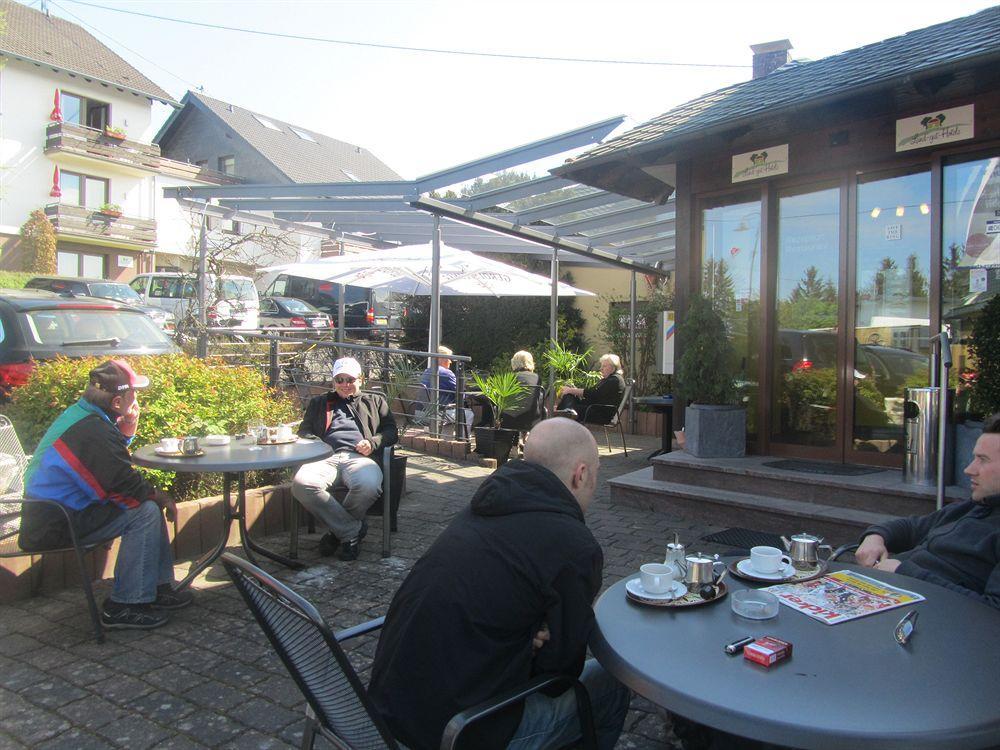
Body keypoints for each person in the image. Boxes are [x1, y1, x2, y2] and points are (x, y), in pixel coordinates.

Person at [368, 417, 630, 750]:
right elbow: (558, 678)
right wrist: (530, 644)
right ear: (581, 475)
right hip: (457, 733)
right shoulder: (574, 547)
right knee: (610, 683)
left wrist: (520, 638)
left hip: (384, 713)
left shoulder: (484, 506)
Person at [19, 359, 191, 630]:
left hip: (59, 512)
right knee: (145, 510)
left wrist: (127, 429)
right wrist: (161, 496)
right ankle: (124, 605)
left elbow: (104, 464)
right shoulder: (91, 430)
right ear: (117, 403)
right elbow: (121, 487)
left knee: (147, 505)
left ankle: (156, 588)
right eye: (133, 394)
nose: (137, 398)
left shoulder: (84, 417)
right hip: (54, 522)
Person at [854, 413, 1000, 609]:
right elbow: (912, 527)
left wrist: (904, 572)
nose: (969, 469)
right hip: (887, 596)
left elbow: (991, 611)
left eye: (982, 460)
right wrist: (876, 536)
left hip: (927, 618)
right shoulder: (974, 506)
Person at [292, 356, 397, 561]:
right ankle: (351, 532)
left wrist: (373, 442)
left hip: (360, 457)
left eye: (350, 379)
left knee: (369, 485)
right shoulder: (319, 403)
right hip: (323, 456)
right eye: (339, 380)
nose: (345, 384)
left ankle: (336, 533)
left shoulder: (375, 401)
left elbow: (391, 430)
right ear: (333, 381)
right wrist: (320, 445)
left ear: (361, 379)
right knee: (301, 484)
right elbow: (303, 432)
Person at [556, 353, 626, 423]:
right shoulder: (609, 379)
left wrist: (571, 390)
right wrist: (573, 391)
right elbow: (592, 393)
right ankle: (562, 413)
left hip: (600, 414)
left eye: (604, 366)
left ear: (613, 367)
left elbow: (593, 393)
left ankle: (561, 414)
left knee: (569, 406)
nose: (601, 369)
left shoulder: (614, 380)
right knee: (569, 397)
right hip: (594, 409)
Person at [499, 350, 546, 432]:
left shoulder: (509, 377)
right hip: (533, 419)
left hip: (510, 421)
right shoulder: (537, 378)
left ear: (514, 363)